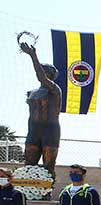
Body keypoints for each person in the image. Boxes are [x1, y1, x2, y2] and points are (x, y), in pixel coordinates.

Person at [19, 42, 62, 178]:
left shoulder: (55, 90)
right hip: (33, 129)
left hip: (50, 130)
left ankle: (46, 191)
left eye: (44, 71)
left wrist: (33, 55)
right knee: (29, 164)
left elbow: (41, 78)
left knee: (48, 166)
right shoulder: (32, 92)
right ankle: (27, 191)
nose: (41, 72)